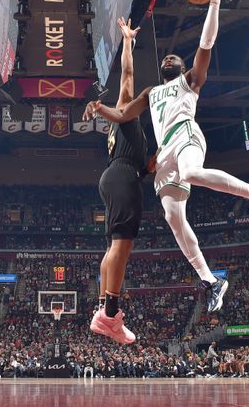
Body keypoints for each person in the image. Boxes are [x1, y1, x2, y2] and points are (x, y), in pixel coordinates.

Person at [86, 0, 249, 313]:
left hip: (186, 134)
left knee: (192, 171)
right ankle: (211, 280)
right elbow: (123, 111)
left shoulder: (190, 81)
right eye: (165, 59)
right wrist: (100, 107)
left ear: (182, 68)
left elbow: (206, 45)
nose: (169, 58)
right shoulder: (151, 93)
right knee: (172, 217)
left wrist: (214, 3)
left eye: (175, 59)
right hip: (163, 152)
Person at [87, 18, 147, 344]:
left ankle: (103, 310)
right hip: (121, 174)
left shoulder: (129, 131)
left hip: (117, 175)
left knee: (114, 245)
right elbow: (127, 75)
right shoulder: (125, 111)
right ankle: (110, 314)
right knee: (122, 244)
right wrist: (127, 42)